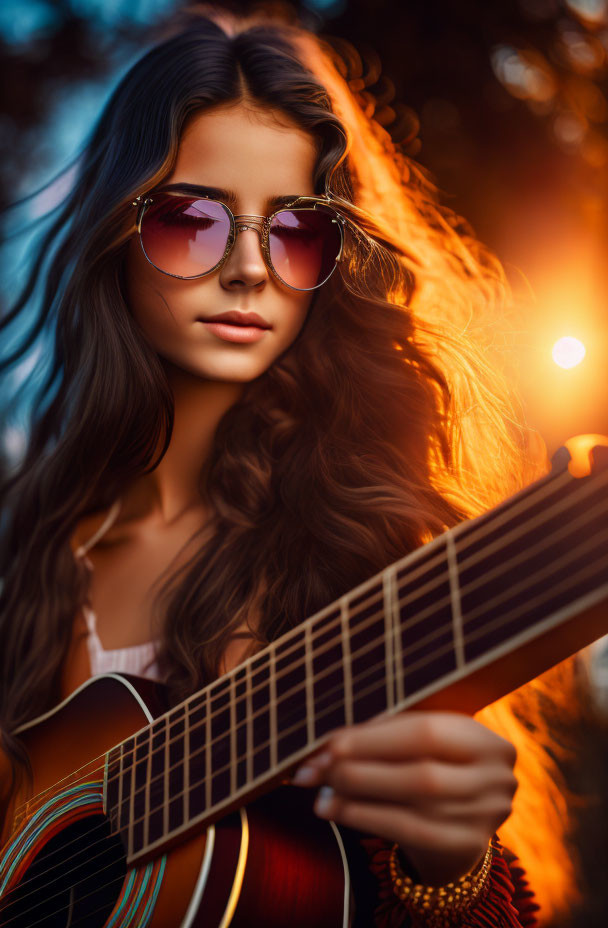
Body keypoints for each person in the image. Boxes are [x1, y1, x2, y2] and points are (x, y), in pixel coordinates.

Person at [0, 4, 553, 925]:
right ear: (113, 237)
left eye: (295, 230)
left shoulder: (356, 539)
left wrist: (451, 859)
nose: (251, 269)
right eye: (192, 222)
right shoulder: (34, 539)